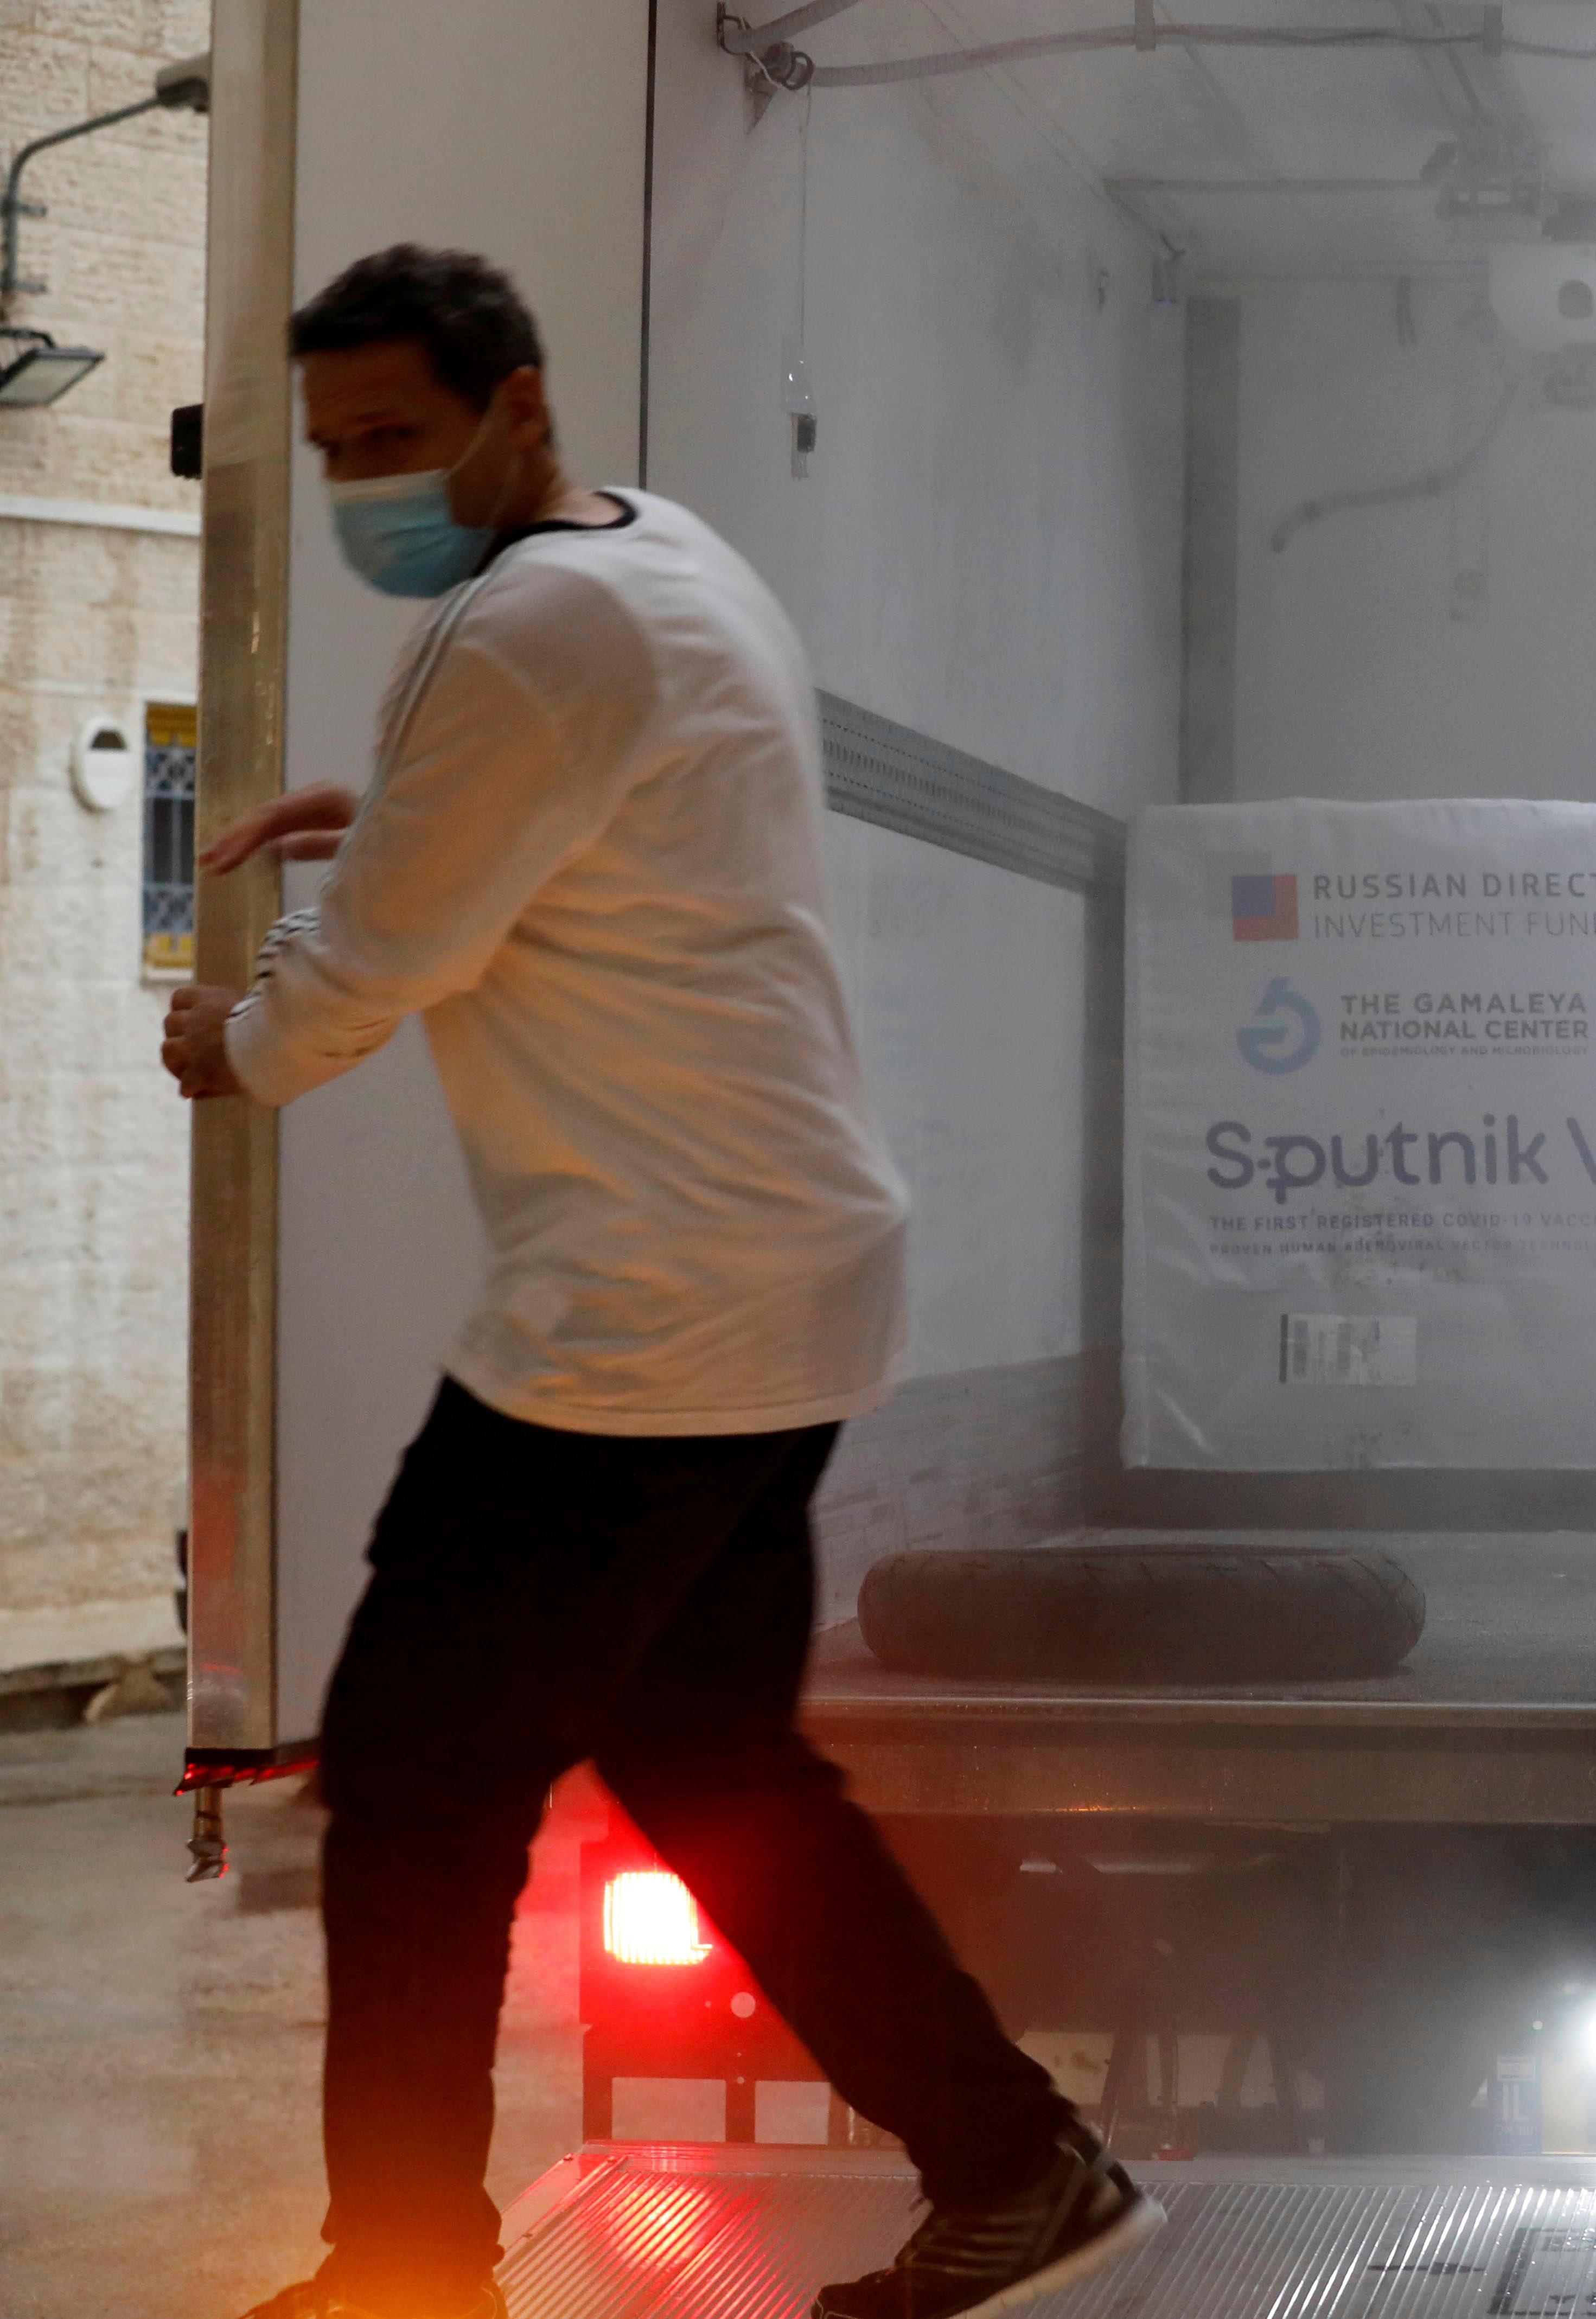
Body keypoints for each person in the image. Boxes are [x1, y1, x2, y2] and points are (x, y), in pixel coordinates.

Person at [170, 245, 1160, 2319]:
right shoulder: (665, 559)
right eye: (335, 445)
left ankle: (408, 2273)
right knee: (712, 1763)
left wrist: (227, 1036)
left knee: (418, 1785)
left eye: (394, 440)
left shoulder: (516, 632)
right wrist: (421, 818)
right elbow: (634, 815)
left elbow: (353, 990)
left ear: (516, 407)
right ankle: (1016, 2161)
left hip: (641, 1317)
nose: (364, 481)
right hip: (777, 1274)